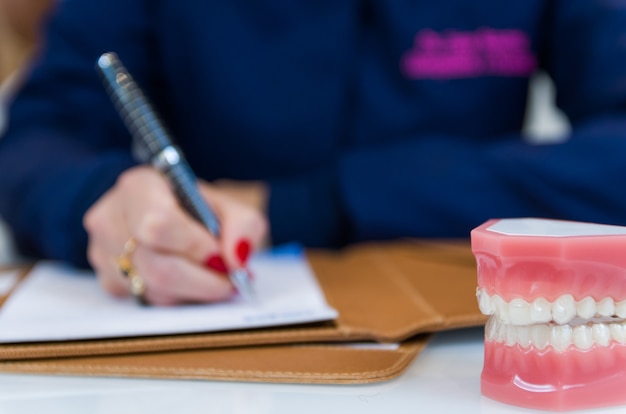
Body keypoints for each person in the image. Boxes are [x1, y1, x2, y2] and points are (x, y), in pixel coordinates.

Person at [1, 0, 626, 306]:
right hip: (203, 338)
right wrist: (105, 202)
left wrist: (313, 204)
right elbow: (37, 138)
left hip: (460, 334)